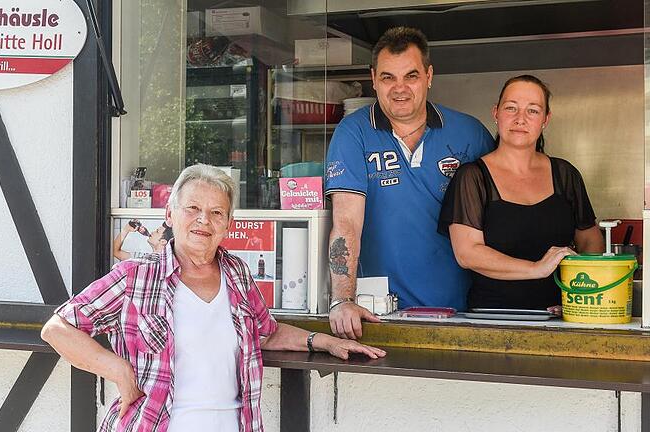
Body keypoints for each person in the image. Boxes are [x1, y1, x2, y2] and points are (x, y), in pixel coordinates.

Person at [42, 164, 386, 432]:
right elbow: (57, 328)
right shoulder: (135, 276)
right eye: (192, 208)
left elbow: (266, 332)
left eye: (216, 212)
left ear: (228, 224)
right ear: (170, 215)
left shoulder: (236, 273)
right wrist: (116, 369)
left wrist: (323, 341)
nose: (203, 220)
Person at [325, 26, 495, 339]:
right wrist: (342, 300)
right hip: (380, 316)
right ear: (374, 78)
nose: (399, 88)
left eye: (411, 76)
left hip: (464, 312)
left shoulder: (470, 134)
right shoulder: (353, 133)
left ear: (429, 76)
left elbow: (503, 218)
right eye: (388, 77)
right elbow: (346, 221)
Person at [438, 75, 603, 310]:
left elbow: (590, 242)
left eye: (533, 111)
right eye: (511, 108)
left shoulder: (565, 175)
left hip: (561, 318)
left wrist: (577, 296)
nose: (520, 119)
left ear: (546, 119)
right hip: (494, 318)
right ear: (496, 113)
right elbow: (468, 254)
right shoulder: (472, 177)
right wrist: (536, 269)